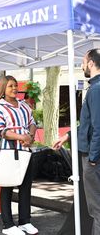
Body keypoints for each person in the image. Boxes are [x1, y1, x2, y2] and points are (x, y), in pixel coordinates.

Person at [53, 48, 100, 235]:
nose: (81, 66)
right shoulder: (95, 87)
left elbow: (98, 127)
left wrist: (93, 159)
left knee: (96, 209)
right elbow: (88, 124)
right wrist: (68, 135)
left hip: (93, 158)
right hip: (92, 156)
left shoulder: (96, 89)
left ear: (90, 63)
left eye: (83, 61)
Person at [0, 75, 38, 235]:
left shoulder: (24, 105)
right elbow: (0, 131)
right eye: (10, 86)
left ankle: (25, 221)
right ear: (3, 88)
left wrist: (29, 136)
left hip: (25, 150)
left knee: (25, 186)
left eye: (15, 85)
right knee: (7, 186)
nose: (14, 88)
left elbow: (33, 123)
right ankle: (8, 225)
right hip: (8, 150)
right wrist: (21, 137)